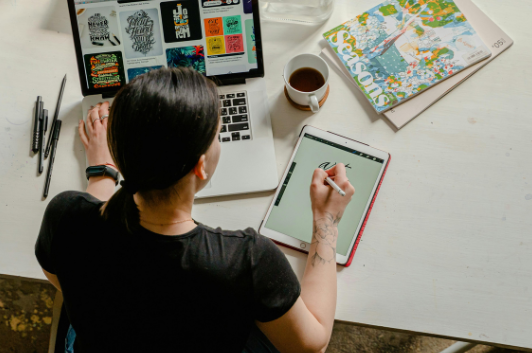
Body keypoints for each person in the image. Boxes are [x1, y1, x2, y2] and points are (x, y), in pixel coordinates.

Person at [35, 67, 355, 353]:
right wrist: (326, 220)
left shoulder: (65, 215)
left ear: (120, 156)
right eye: (217, 135)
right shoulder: (245, 261)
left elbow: (61, 277)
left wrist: (101, 171)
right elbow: (312, 344)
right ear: (200, 166)